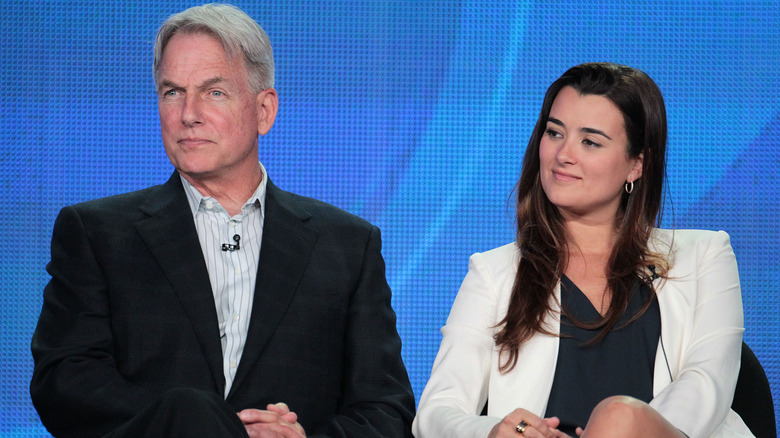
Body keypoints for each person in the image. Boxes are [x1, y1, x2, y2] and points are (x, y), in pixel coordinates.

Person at [30, 4, 415, 437]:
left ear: (264, 110)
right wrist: (198, 426)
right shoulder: (97, 232)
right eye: (172, 91)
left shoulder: (347, 245)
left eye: (214, 92)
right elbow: (63, 382)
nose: (188, 113)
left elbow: (385, 411)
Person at [412, 63, 753, 437]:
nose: (563, 155)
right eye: (554, 133)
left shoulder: (704, 256)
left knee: (619, 416)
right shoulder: (494, 273)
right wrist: (496, 431)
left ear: (637, 164)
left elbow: (708, 383)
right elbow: (437, 411)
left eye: (590, 141)